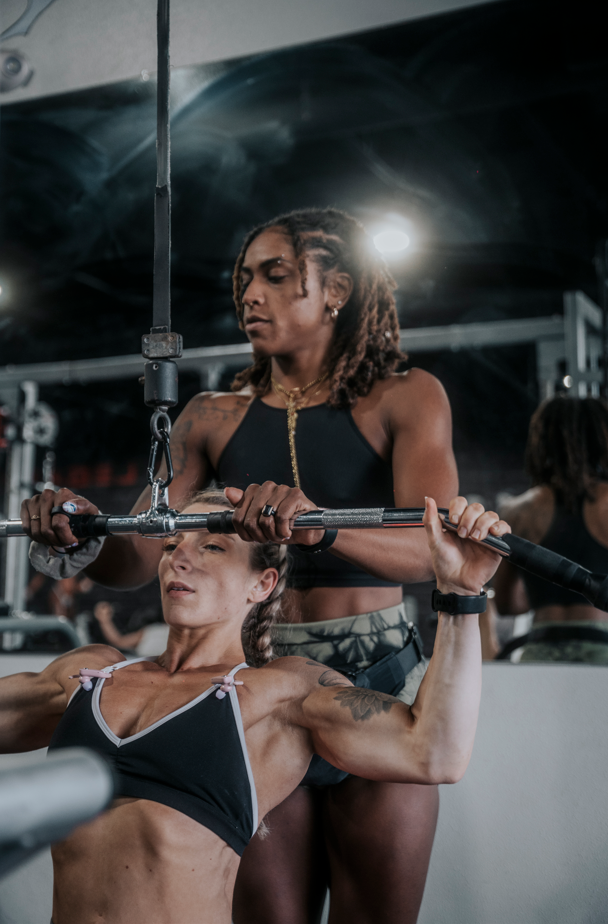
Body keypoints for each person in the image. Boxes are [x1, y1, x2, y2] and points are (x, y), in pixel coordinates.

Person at [22, 208, 458, 924]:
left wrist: (313, 526)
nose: (248, 294)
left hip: (375, 674)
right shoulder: (207, 416)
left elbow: (430, 551)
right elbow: (135, 560)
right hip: (253, 687)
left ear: (338, 289)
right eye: (243, 278)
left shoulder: (407, 397)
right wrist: (83, 535)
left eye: (275, 276)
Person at [6, 489, 508, 924]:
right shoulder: (90, 674)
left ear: (262, 585)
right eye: (171, 545)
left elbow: (436, 752)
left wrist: (461, 593)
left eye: (213, 546)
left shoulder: (277, 694)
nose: (179, 558)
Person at [494, 395, 608, 662]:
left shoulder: (516, 510)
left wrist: (545, 593)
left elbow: (506, 605)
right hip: (602, 647)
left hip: (540, 648)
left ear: (543, 442)